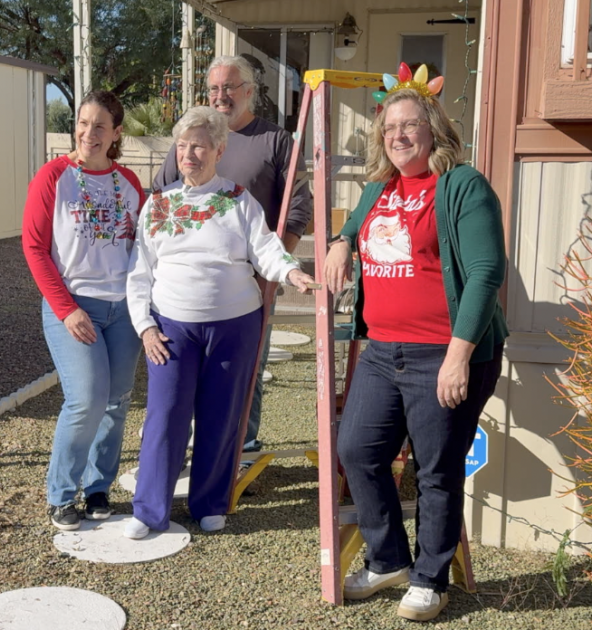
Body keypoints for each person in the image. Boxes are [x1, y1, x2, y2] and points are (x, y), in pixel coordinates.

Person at [322, 66, 508, 622]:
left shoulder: (461, 185)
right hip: (381, 351)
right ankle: (388, 560)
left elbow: (485, 271)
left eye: (409, 125)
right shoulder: (379, 189)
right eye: (389, 128)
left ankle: (432, 578)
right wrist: (339, 242)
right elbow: (351, 227)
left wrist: (458, 356)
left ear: (433, 129)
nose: (398, 135)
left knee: (435, 470)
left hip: (442, 354)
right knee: (356, 451)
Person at [124, 106, 315, 539]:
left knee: (222, 415)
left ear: (219, 150)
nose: (190, 154)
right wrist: (145, 327)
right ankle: (150, 508)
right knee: (165, 416)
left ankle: (210, 502)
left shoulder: (238, 199)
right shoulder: (158, 205)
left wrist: (290, 272)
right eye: (184, 145)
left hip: (235, 325)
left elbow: (265, 249)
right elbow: (139, 272)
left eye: (200, 146)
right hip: (172, 328)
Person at [153, 54, 313, 455]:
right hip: (191, 287)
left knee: (247, 367)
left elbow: (298, 210)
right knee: (189, 369)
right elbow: (159, 199)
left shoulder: (276, 140)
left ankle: (244, 445)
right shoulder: (193, 139)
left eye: (229, 87)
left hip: (250, 281)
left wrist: (271, 273)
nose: (221, 96)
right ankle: (196, 446)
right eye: (214, 89)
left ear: (249, 91)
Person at [22, 91, 146, 531]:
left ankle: (98, 487)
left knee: (117, 401)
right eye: (82, 123)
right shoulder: (53, 177)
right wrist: (65, 308)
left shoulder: (130, 183)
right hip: (75, 307)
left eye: (99, 126)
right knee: (87, 398)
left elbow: (148, 246)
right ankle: (60, 494)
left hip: (125, 311)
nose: (88, 133)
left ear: (116, 133)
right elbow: (35, 249)